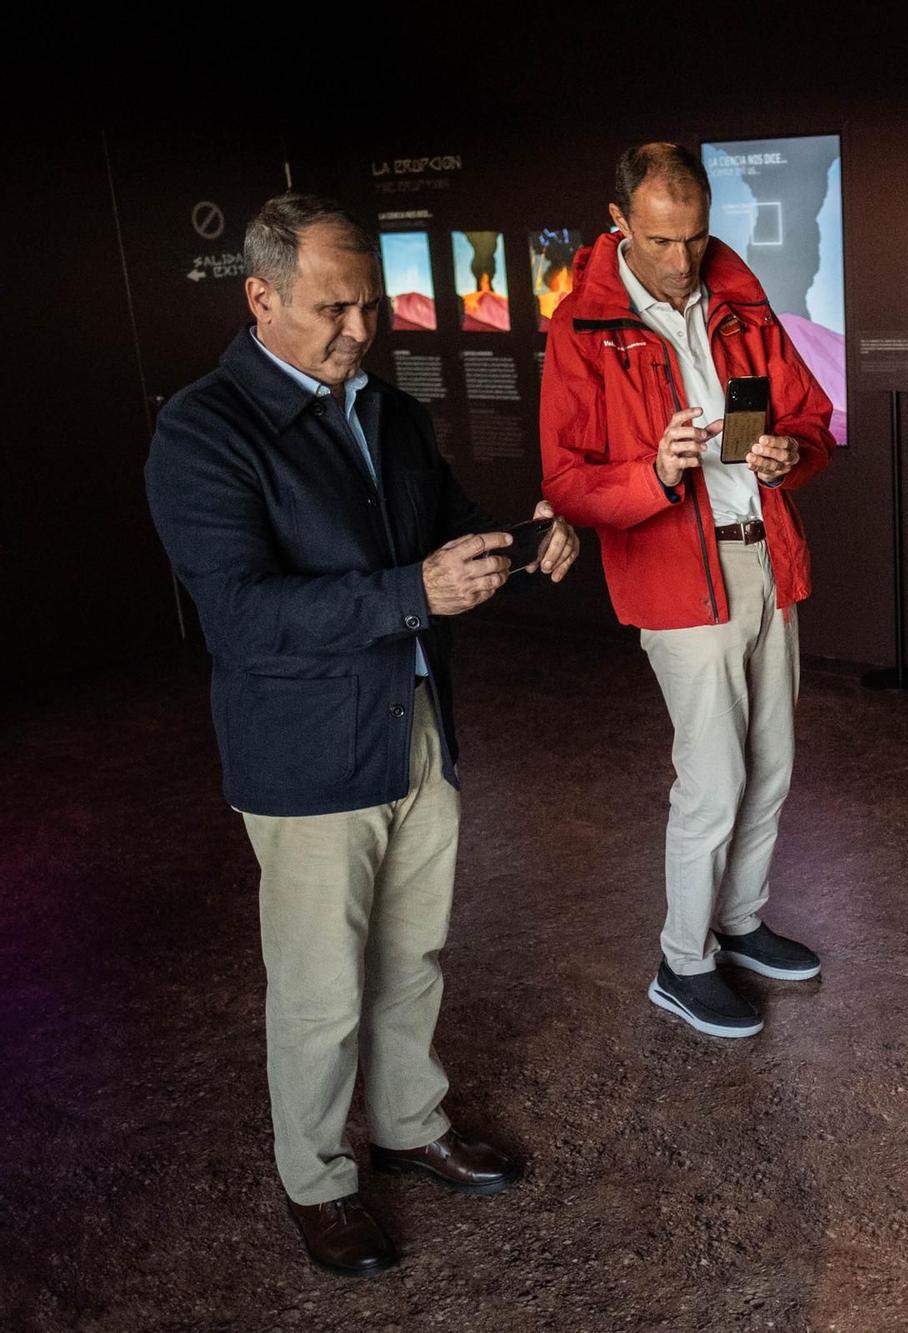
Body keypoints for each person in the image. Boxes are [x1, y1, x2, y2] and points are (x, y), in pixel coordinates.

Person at [145, 193, 579, 1276]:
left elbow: (441, 536)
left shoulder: (387, 408)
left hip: (416, 726)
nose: (357, 330)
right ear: (261, 297)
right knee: (318, 985)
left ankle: (406, 1125)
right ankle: (319, 1179)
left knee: (412, 954)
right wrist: (411, 593)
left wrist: (526, 543)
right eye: (332, 309)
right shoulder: (201, 429)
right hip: (305, 760)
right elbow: (243, 615)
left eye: (370, 308)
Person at [540, 143, 835, 1039]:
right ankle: (683, 959)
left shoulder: (739, 301)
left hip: (764, 560)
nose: (681, 261)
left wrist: (789, 455)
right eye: (662, 241)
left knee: (773, 766)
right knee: (713, 778)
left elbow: (809, 420)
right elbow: (566, 482)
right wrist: (654, 472)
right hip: (674, 577)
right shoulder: (582, 330)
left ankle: (739, 921)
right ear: (619, 222)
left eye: (697, 238)